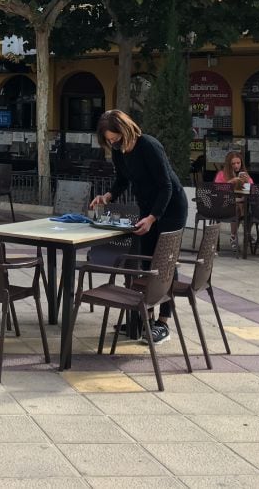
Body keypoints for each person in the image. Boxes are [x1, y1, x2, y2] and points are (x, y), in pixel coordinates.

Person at [90, 109, 187, 346]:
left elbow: (166, 186)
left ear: (126, 130)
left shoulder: (150, 146)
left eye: (117, 139)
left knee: (164, 263)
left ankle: (163, 322)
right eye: (110, 142)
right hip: (147, 208)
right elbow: (123, 179)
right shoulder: (119, 151)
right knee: (145, 261)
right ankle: (147, 319)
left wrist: (153, 217)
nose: (115, 144)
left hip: (170, 207)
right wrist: (108, 196)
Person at [214, 151, 251, 252]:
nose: (236, 165)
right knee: (239, 207)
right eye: (233, 163)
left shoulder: (244, 174)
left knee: (243, 205)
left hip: (240, 204)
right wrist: (231, 182)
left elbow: (252, 188)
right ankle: (245, 233)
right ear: (229, 164)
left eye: (238, 163)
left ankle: (235, 236)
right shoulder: (221, 174)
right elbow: (216, 189)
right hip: (224, 205)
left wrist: (247, 182)